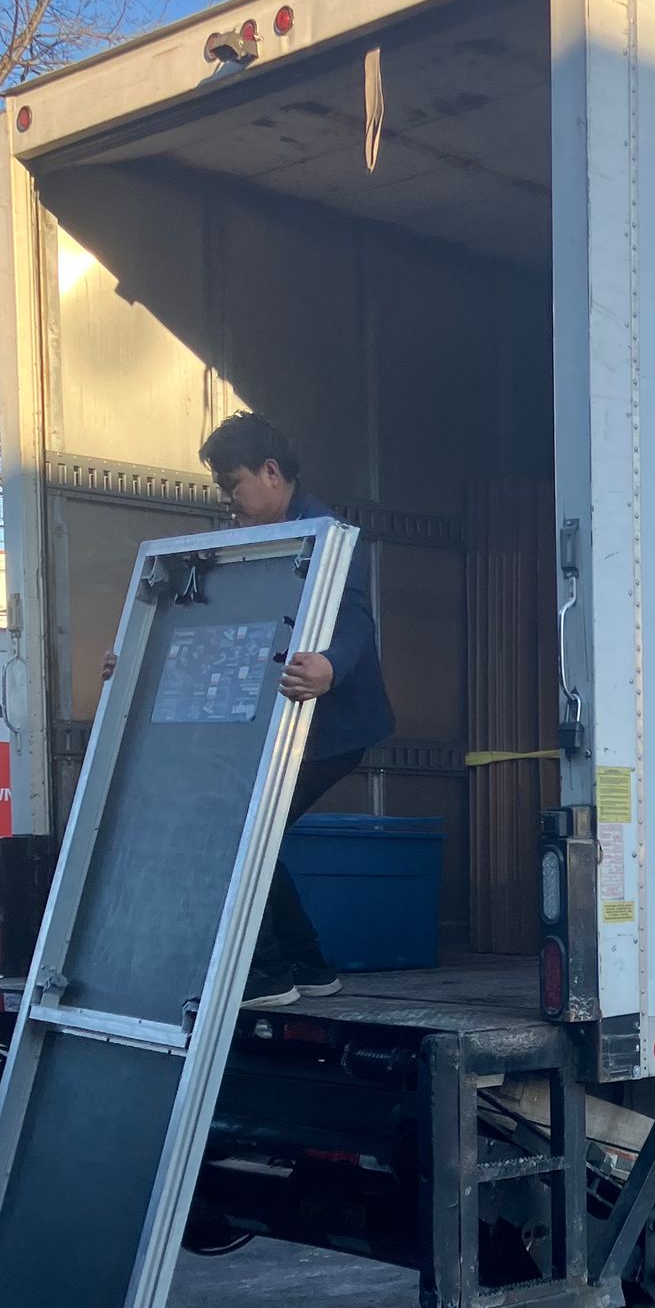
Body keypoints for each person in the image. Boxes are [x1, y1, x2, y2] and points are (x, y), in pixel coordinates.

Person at [195, 412, 396, 1004]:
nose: (227, 499)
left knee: (237, 830)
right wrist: (132, 659)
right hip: (275, 725)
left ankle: (265, 975)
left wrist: (330, 665)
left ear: (271, 472)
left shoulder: (328, 535)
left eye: (232, 483)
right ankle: (307, 966)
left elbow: (355, 616)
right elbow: (208, 623)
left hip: (330, 729)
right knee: (250, 832)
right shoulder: (244, 541)